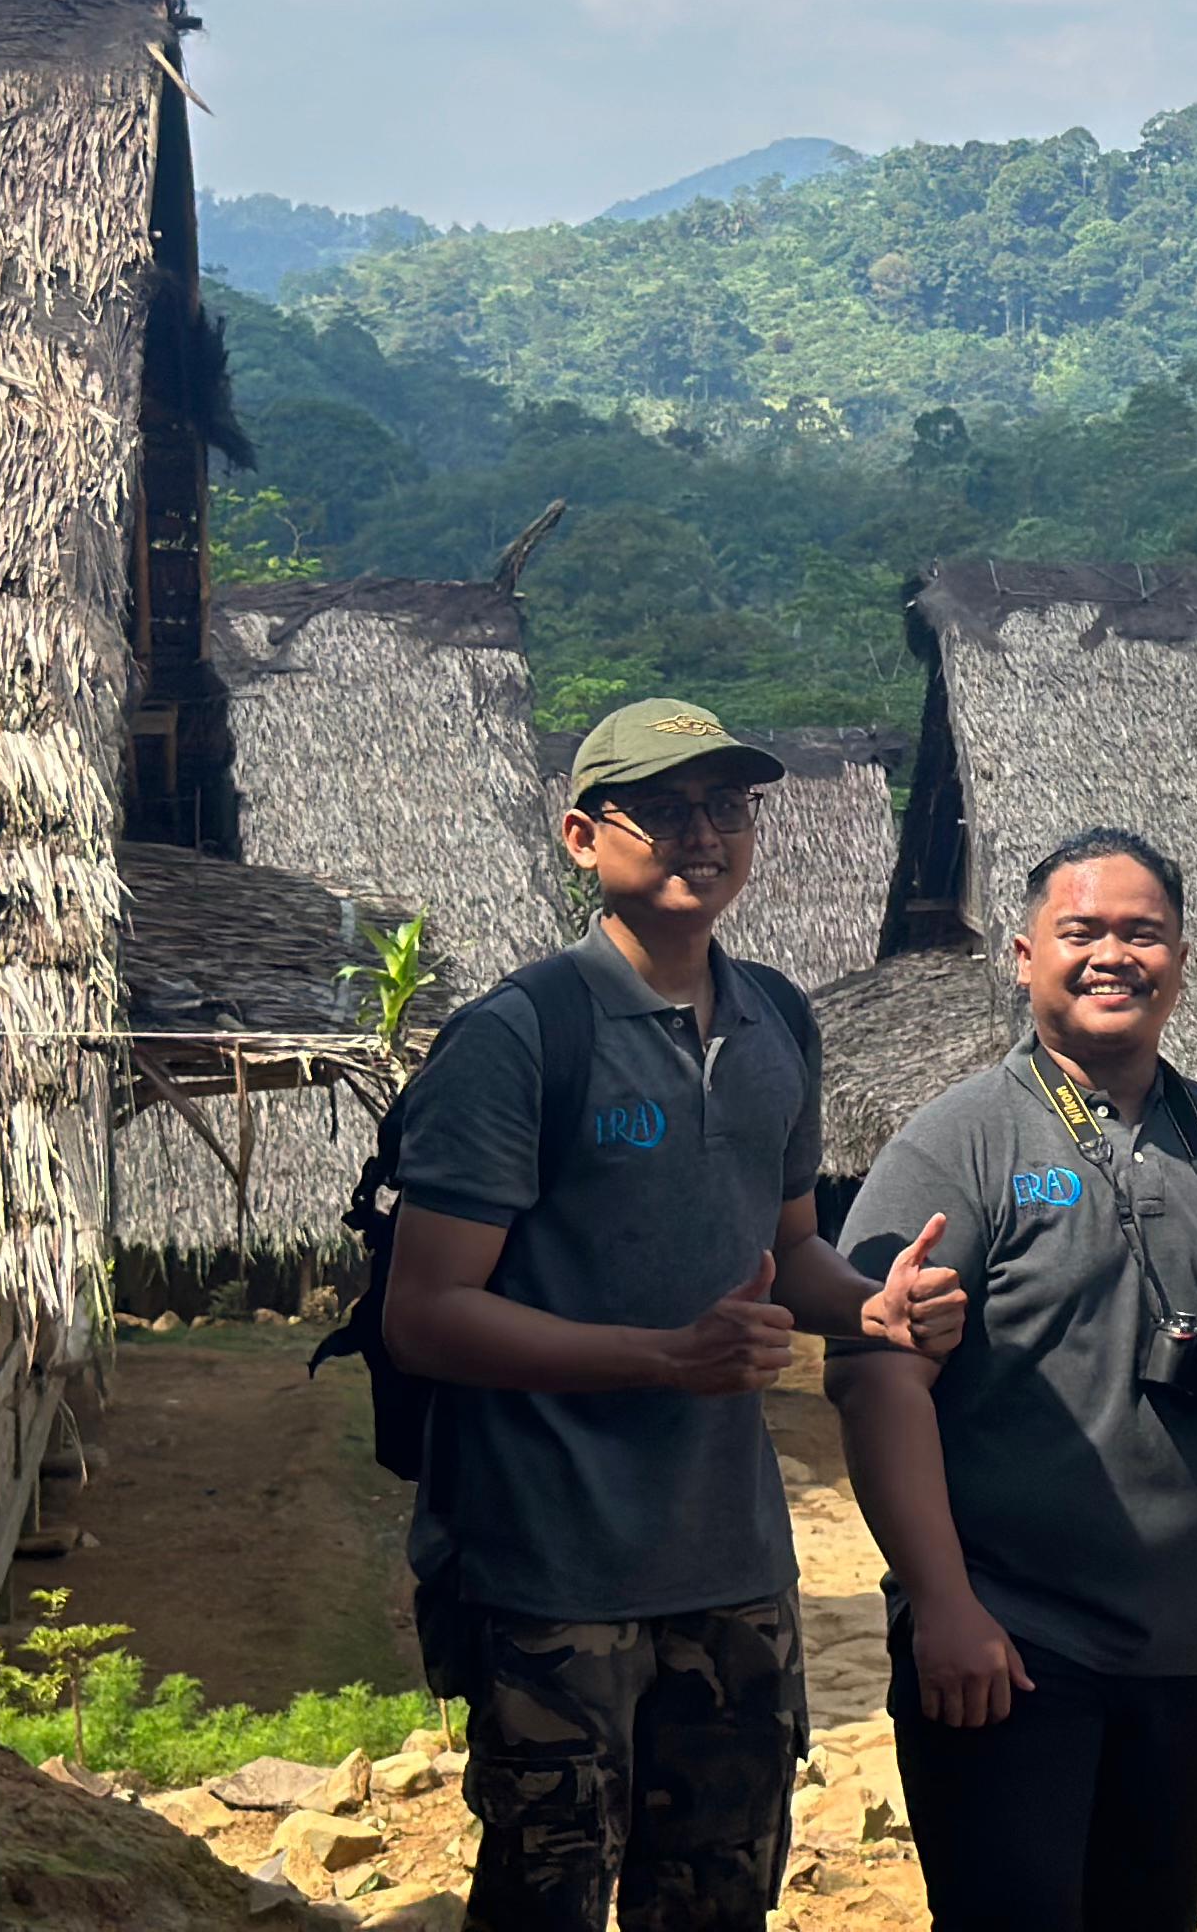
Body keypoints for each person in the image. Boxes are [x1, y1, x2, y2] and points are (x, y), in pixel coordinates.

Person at [384, 696, 963, 1932]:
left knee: (717, 1899)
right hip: (549, 1569)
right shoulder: (523, 1037)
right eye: (663, 810)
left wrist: (875, 1309)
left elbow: (792, 1251)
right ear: (584, 837)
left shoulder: (779, 1024)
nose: (703, 834)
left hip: (732, 1569)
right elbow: (426, 1314)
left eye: (726, 807)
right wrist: (664, 1358)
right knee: (546, 1894)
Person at [829, 825, 1197, 1932]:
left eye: (1144, 933)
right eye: (1081, 931)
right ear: (1025, 956)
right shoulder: (960, 1144)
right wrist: (941, 1602)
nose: (1113, 956)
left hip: (1196, 1649)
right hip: (1009, 1644)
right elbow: (876, 1379)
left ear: (1182, 959)